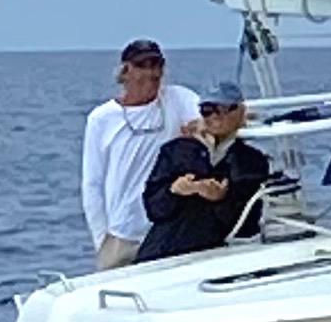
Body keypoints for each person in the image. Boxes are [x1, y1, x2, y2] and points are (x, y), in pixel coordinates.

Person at [81, 40, 200, 270]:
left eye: (156, 64)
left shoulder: (178, 100)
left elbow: (217, 119)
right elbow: (92, 184)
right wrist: (102, 240)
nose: (151, 72)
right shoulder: (101, 119)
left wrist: (199, 130)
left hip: (168, 231)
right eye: (142, 65)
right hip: (124, 237)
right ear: (126, 71)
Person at [135, 81, 271, 263]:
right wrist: (174, 191)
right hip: (161, 251)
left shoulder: (250, 161)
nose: (213, 116)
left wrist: (219, 198)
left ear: (238, 112)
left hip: (212, 255)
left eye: (221, 110)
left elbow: (246, 225)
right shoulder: (176, 151)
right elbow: (154, 209)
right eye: (207, 110)